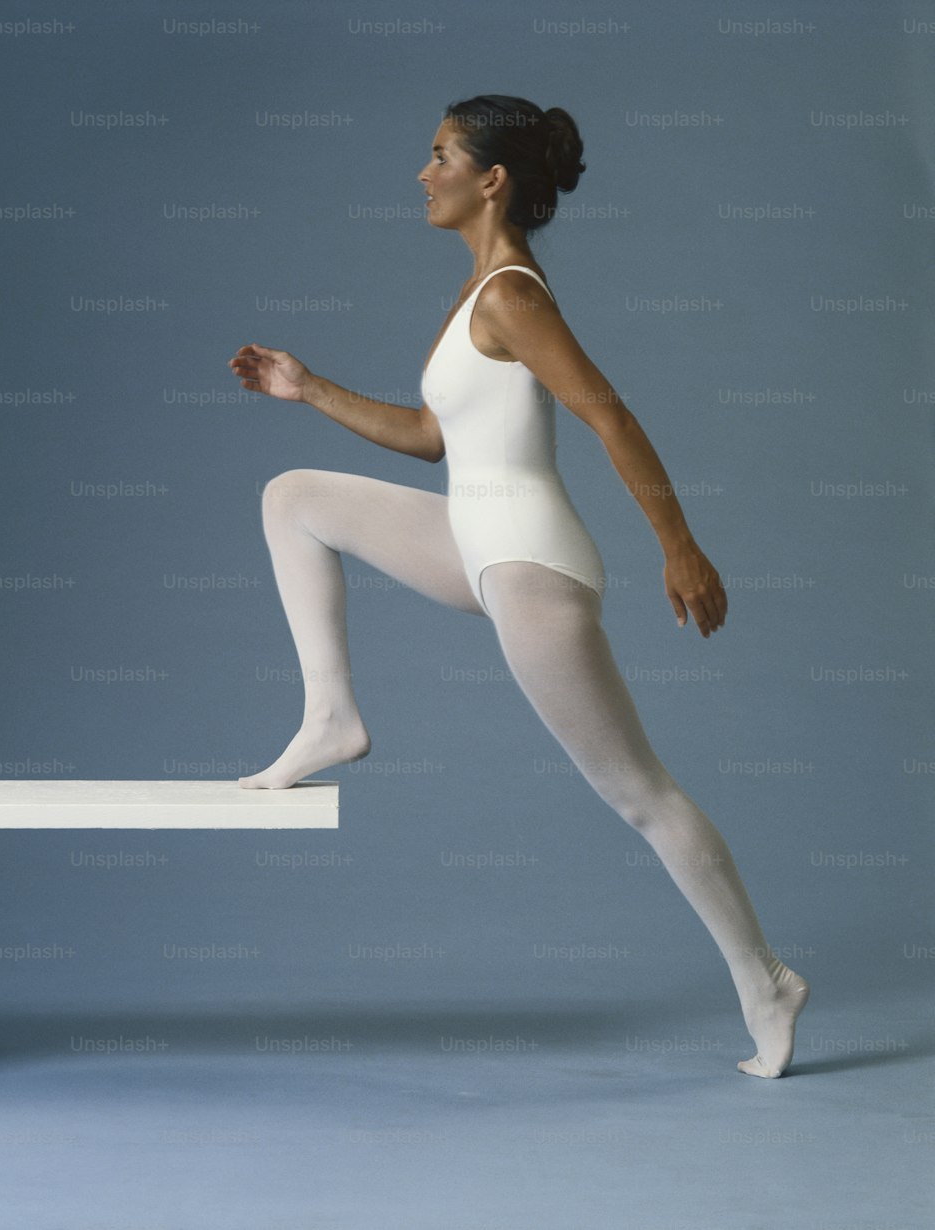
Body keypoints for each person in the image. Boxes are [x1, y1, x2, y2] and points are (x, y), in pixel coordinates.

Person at [227, 95, 810, 1077]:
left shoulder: (511, 296)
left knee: (639, 795)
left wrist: (680, 545)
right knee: (293, 498)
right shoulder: (474, 294)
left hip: (529, 562)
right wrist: (306, 386)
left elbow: (608, 414)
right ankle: (330, 718)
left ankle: (765, 981)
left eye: (440, 155)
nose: (424, 172)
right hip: (472, 541)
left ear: (490, 179)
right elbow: (430, 438)